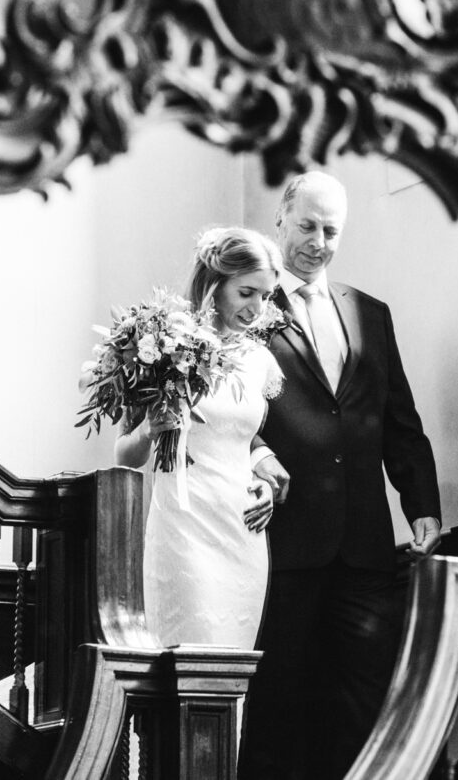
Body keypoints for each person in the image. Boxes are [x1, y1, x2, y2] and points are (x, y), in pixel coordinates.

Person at [238, 171, 443, 779]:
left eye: (331, 231)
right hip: (283, 541)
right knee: (281, 704)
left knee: (365, 702)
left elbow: (397, 418)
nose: (318, 241)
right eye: (307, 225)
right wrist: (255, 458)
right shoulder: (247, 303)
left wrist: (422, 503)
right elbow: (226, 408)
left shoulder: (370, 313)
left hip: (363, 543)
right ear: (280, 220)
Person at [115, 227, 285, 649]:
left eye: (265, 297)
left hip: (243, 529)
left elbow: (244, 440)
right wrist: (151, 428)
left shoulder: (260, 361)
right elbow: (124, 455)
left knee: (234, 663)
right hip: (184, 525)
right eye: (247, 293)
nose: (256, 309)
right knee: (191, 652)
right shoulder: (161, 346)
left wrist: (263, 482)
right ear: (215, 284)